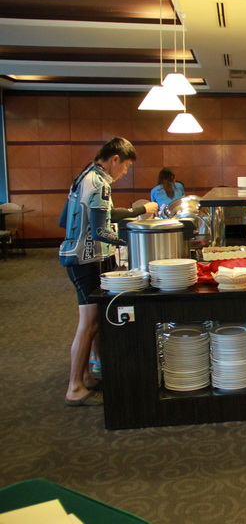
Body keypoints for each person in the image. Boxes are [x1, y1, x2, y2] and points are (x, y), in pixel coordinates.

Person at [59, 138, 158, 406]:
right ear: (115, 159)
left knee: (92, 323)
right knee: (89, 323)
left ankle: (87, 377)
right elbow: (101, 230)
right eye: (126, 166)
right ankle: (74, 388)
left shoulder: (83, 176)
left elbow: (63, 219)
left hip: (76, 255)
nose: (124, 172)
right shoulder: (100, 183)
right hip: (86, 260)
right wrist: (134, 240)